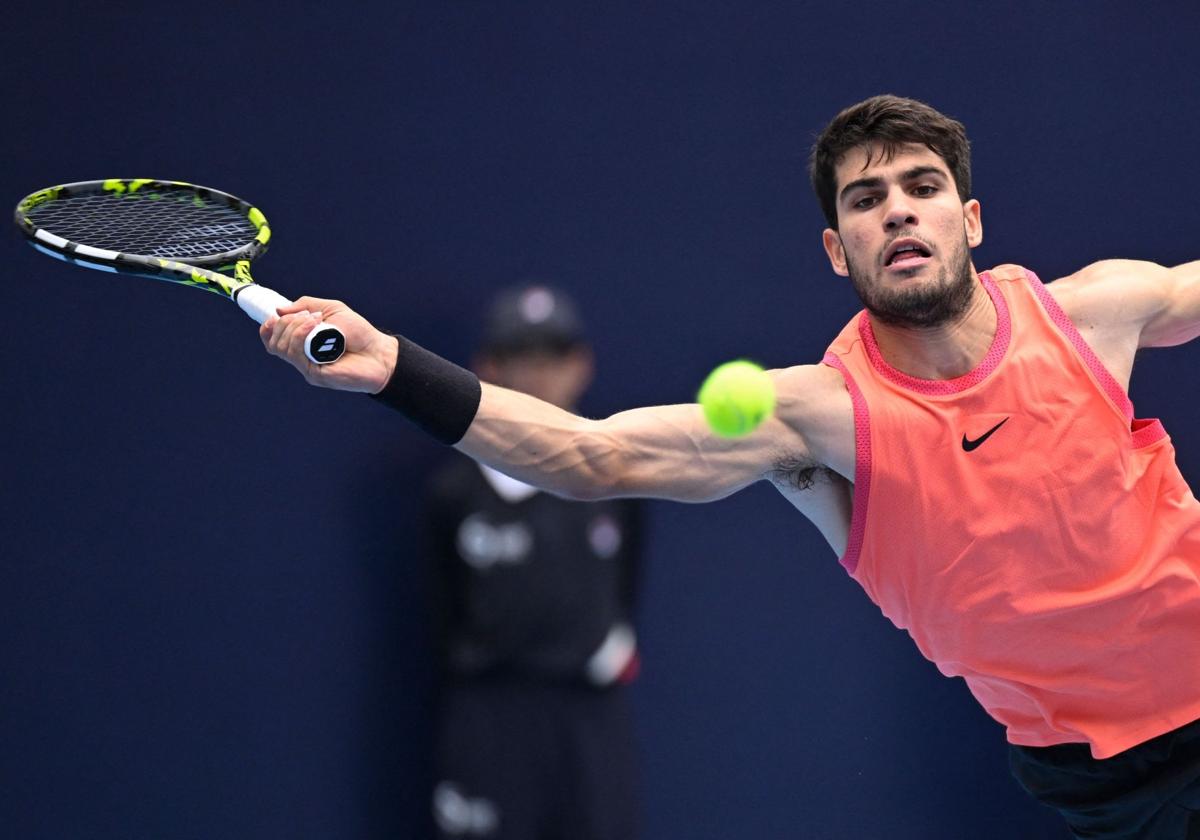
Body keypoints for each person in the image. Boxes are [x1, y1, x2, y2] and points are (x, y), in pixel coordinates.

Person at [260, 95, 1200, 838]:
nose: (899, 211)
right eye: (866, 201)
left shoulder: (1093, 312)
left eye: (923, 187)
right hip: (1110, 777)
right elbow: (593, 454)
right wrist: (394, 370)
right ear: (839, 250)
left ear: (971, 218)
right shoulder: (817, 416)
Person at [424, 285, 643, 840]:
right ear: (485, 368)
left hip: (588, 719)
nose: (539, 375)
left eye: (553, 357)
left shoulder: (618, 483)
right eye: (521, 357)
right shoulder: (452, 494)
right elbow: (438, 610)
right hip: (491, 719)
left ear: (582, 365)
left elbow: (626, 584)